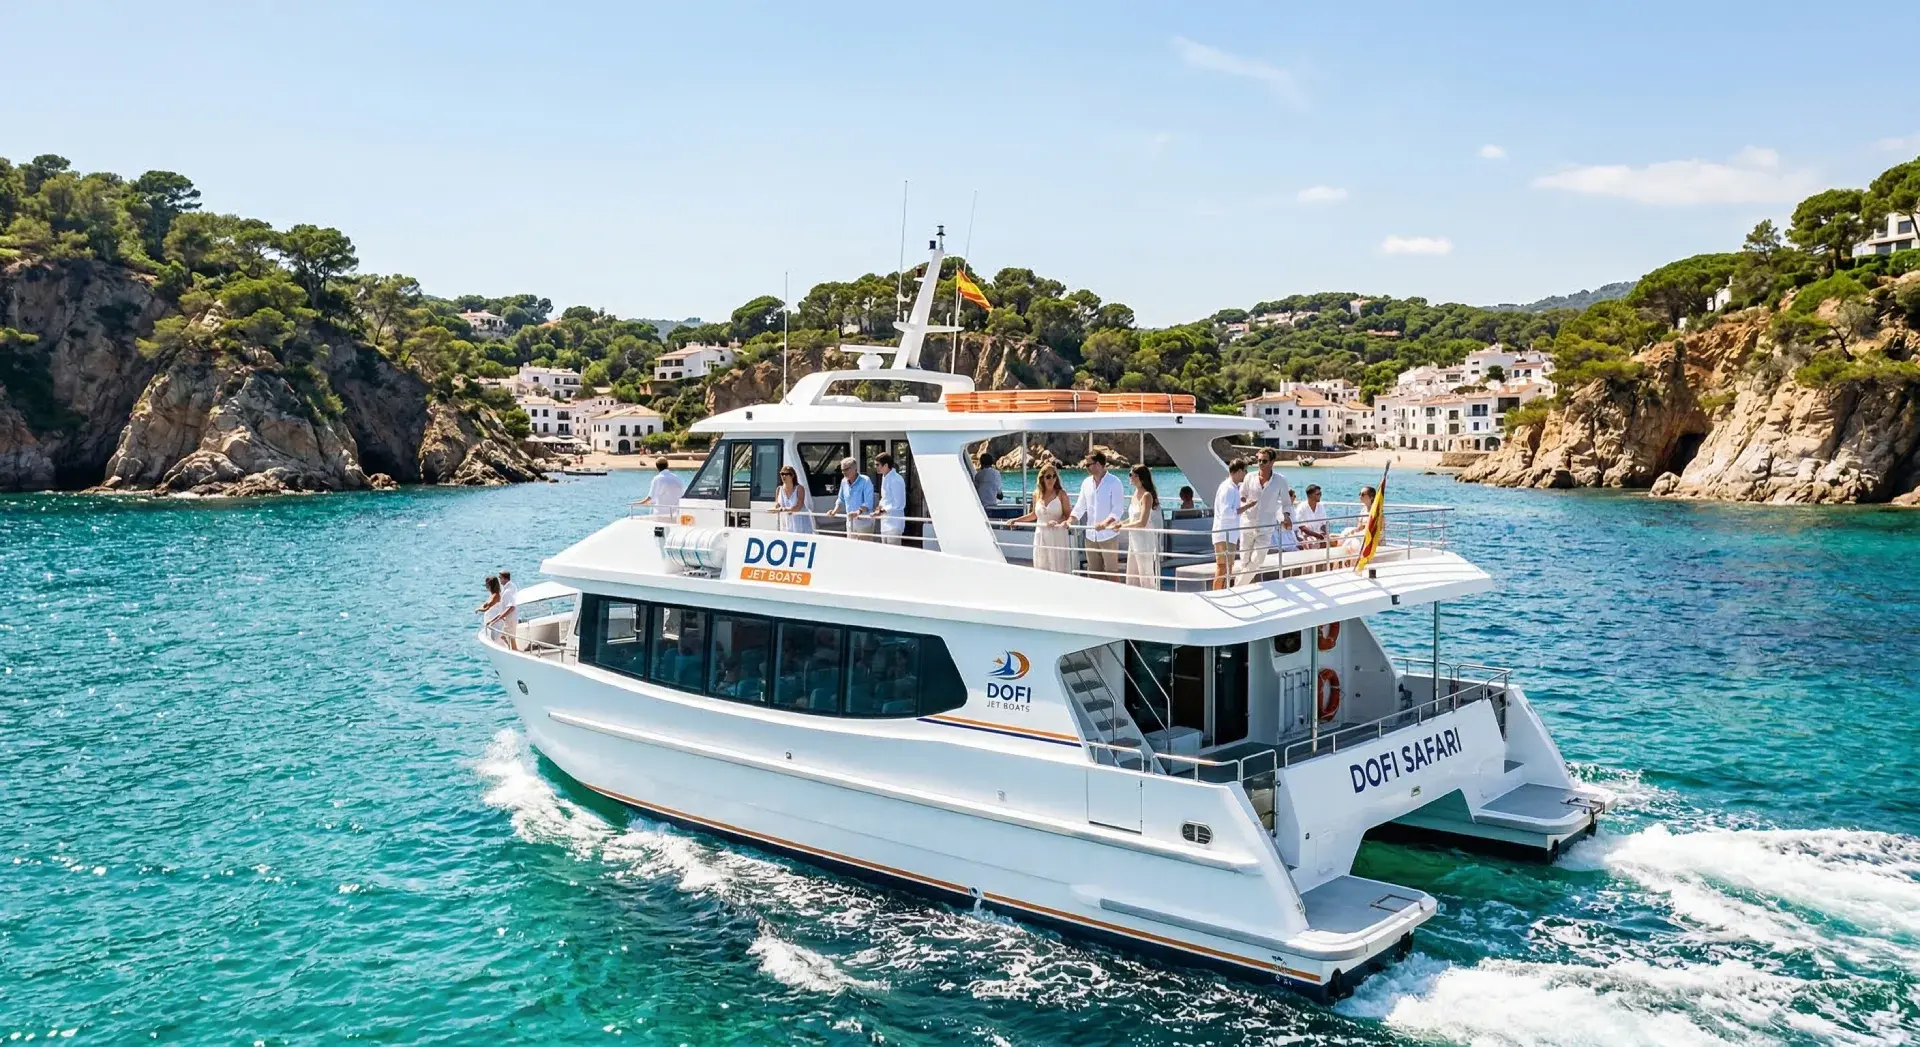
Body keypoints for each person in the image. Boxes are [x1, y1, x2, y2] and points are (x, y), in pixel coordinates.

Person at [1236, 448, 1292, 586]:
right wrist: (1245, 503)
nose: (1260, 463)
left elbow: (1286, 503)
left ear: (1272, 462)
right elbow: (1241, 495)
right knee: (1244, 561)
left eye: (1264, 461)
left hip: (1266, 527)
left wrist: (1286, 516)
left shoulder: (1280, 480)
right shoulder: (1249, 477)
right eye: (1259, 460)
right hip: (1247, 525)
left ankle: (1236, 587)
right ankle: (1242, 589)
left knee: (1258, 559)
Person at [1069, 451, 1126, 581]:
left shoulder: (1114, 482)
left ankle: (1114, 593)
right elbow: (1080, 506)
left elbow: (1118, 509)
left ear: (1098, 465)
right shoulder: (1086, 483)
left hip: (1108, 535)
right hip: (1090, 535)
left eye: (1088, 465)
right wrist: (1069, 520)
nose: (1086, 468)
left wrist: (1104, 524)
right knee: (1093, 573)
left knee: (1112, 573)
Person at [1008, 464, 1074, 574]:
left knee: (1058, 566)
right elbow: (1034, 515)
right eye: (1048, 476)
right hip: (1041, 534)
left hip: (1057, 534)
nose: (1052, 479)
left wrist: (1058, 522)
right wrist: (1016, 520)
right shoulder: (1036, 494)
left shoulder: (1061, 494)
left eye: (1054, 476)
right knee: (1042, 565)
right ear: (1042, 478)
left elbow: (1068, 516)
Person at [1122, 464, 1162, 589]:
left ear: (1140, 477)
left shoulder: (1147, 496)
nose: (1130, 477)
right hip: (1134, 538)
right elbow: (1133, 518)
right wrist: (1120, 523)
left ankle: (1150, 596)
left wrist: (1123, 527)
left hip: (1144, 539)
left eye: (1132, 475)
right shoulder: (1135, 494)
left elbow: (1142, 522)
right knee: (1132, 572)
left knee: (1145, 573)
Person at [1211, 459, 1247, 590]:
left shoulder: (1232, 487)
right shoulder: (1228, 489)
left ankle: (1223, 592)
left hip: (1229, 534)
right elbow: (1226, 512)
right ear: (1239, 471)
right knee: (1222, 567)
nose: (1246, 474)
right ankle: (1217, 593)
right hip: (1224, 534)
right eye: (1245, 471)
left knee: (1228, 567)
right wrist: (1247, 506)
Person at [825, 456, 876, 540]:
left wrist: (858, 512)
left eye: (846, 469)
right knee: (850, 547)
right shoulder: (843, 481)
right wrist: (834, 511)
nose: (843, 472)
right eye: (842, 470)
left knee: (864, 547)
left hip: (864, 522)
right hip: (850, 522)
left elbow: (868, 502)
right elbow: (841, 499)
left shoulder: (865, 480)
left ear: (854, 469)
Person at [873, 452, 908, 546]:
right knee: (885, 552)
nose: (876, 467)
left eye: (877, 465)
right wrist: (878, 508)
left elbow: (899, 504)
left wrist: (881, 511)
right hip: (885, 523)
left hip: (894, 524)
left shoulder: (896, 479)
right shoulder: (885, 477)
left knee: (894, 553)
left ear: (885, 465)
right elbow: (885, 498)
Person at [771, 464, 814, 534]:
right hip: (786, 522)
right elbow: (777, 504)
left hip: (800, 522)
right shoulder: (778, 489)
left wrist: (784, 509)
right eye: (782, 474)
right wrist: (776, 507)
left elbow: (798, 507)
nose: (783, 476)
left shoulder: (799, 488)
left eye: (786, 474)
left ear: (792, 475)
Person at [490, 570, 520, 651]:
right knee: (503, 636)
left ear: (505, 578)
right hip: (509, 619)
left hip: (510, 619)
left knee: (511, 638)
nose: (499, 580)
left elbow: (511, 607)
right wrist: (493, 620)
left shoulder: (507, 591)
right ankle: (511, 649)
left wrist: (499, 618)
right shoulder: (512, 586)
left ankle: (515, 651)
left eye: (500, 578)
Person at [1295, 484, 1329, 548]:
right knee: (1314, 543)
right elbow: (1302, 527)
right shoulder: (1301, 507)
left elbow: (1324, 524)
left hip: (1318, 533)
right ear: (1310, 495)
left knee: (1330, 540)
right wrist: (1318, 536)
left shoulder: (1320, 506)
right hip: (1305, 535)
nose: (1320, 495)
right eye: (1318, 494)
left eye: (1320, 494)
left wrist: (1324, 533)